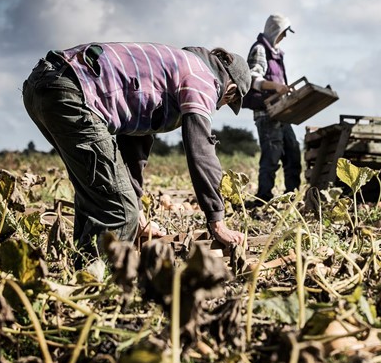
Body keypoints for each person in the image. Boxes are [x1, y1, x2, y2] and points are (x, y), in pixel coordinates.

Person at [22, 42, 250, 265]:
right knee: (120, 211)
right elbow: (200, 148)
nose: (219, 106)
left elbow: (134, 144)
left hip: (43, 84)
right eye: (228, 101)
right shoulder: (202, 77)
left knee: (98, 192)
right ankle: (96, 282)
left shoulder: (173, 67)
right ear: (230, 89)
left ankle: (81, 268)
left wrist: (139, 212)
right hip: (72, 89)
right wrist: (217, 220)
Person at [243, 14, 302, 202]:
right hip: (266, 112)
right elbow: (252, 78)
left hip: (281, 111)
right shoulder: (260, 49)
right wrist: (276, 87)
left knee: (293, 153)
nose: (284, 37)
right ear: (275, 31)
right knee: (271, 156)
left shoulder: (276, 53)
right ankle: (263, 199)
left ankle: (292, 196)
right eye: (283, 33)